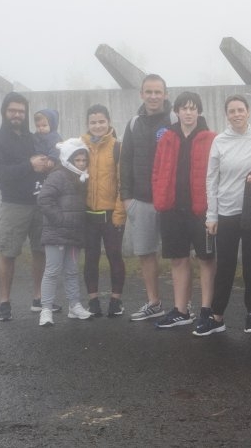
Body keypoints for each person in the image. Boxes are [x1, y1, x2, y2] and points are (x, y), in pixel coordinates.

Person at [0, 92, 55, 321]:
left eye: (21, 111)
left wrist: (47, 164)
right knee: (8, 253)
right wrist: (30, 164)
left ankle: (38, 299)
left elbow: (45, 162)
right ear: (4, 112)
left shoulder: (34, 139)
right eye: (12, 110)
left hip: (40, 203)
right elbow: (1, 175)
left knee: (40, 251)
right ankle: (4, 303)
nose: (17, 115)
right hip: (13, 205)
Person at [150, 92, 217, 331]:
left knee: (206, 259)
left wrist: (213, 208)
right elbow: (157, 170)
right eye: (184, 108)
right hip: (172, 209)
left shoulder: (211, 138)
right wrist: (159, 196)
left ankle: (207, 310)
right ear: (177, 111)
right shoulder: (167, 137)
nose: (188, 112)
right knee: (178, 259)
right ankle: (181, 310)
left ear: (199, 111)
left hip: (201, 210)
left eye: (193, 108)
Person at [202, 95, 251, 335]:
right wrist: (212, 215)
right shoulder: (220, 141)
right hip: (226, 212)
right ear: (226, 114)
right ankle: (217, 316)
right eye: (232, 111)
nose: (237, 114)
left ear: (248, 112)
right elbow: (211, 179)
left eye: (241, 110)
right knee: (225, 266)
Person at [122, 74, 176, 321]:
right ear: (141, 94)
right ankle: (154, 303)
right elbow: (125, 161)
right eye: (149, 92)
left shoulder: (175, 120)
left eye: (158, 92)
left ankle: (182, 305)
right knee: (145, 253)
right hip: (141, 200)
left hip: (172, 200)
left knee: (178, 254)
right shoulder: (134, 123)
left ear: (165, 94)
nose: (153, 96)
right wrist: (126, 198)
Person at [37, 138, 94, 326]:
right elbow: (44, 199)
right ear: (68, 159)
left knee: (72, 271)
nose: (81, 163)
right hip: (56, 234)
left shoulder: (82, 178)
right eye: (77, 160)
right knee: (52, 271)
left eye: (84, 160)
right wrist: (60, 221)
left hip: (74, 234)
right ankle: (46, 309)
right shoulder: (58, 176)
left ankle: (74, 306)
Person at [82, 104, 126, 318]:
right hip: (87, 215)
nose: (97, 126)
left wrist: (119, 212)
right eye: (93, 122)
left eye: (101, 121)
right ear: (87, 124)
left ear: (109, 122)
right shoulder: (80, 146)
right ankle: (93, 301)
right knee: (90, 258)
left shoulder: (118, 147)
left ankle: (115, 301)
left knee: (114, 256)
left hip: (111, 215)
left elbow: (122, 182)